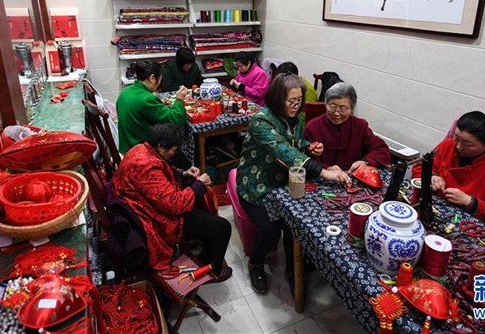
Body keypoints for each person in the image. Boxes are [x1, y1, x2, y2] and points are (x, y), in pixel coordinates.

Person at [236, 73, 349, 294]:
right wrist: (324, 172)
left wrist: (308, 147)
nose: (296, 106)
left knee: (294, 224)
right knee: (270, 230)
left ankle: (292, 268)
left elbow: (294, 144)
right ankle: (255, 263)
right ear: (278, 99)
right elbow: (284, 151)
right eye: (291, 102)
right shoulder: (261, 121)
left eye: (299, 101)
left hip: (284, 183)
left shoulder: (295, 118)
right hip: (256, 186)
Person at [112, 124, 232, 282]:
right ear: (161, 146)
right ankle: (209, 273)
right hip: (151, 216)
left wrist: (183, 173)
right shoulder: (148, 167)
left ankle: (202, 250)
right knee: (222, 227)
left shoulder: (140, 149)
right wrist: (200, 185)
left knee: (191, 187)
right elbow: (175, 205)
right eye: (172, 150)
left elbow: (157, 179)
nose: (173, 153)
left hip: (144, 202)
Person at [412, 111, 485, 230]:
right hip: (431, 211)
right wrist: (431, 176)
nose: (459, 146)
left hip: (468, 226)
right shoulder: (448, 145)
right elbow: (420, 167)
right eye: (456, 138)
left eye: (468, 144)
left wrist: (470, 202)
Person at [304, 82, 390, 172]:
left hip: (352, 176)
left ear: (351, 109)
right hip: (321, 175)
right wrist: (326, 168)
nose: (336, 113)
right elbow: (303, 158)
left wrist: (365, 162)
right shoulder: (313, 127)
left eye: (343, 109)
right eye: (332, 107)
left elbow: (381, 149)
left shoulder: (360, 126)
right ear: (326, 104)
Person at [116, 61, 187, 155]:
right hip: (140, 151)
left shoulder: (125, 92)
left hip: (126, 147)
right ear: (152, 78)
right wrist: (180, 99)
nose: (160, 83)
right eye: (160, 79)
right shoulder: (146, 99)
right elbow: (174, 120)